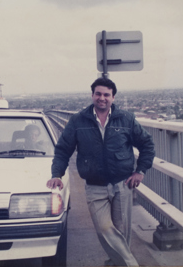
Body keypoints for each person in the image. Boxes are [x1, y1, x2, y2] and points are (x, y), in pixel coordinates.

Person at [46, 77, 155, 267]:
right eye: (98, 94)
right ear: (92, 95)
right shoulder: (78, 121)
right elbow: (63, 149)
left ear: (113, 97)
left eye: (106, 94)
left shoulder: (126, 119)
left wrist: (141, 171)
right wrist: (57, 174)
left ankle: (115, 264)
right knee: (105, 229)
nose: (102, 98)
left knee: (121, 233)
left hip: (123, 184)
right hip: (95, 186)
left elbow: (147, 144)